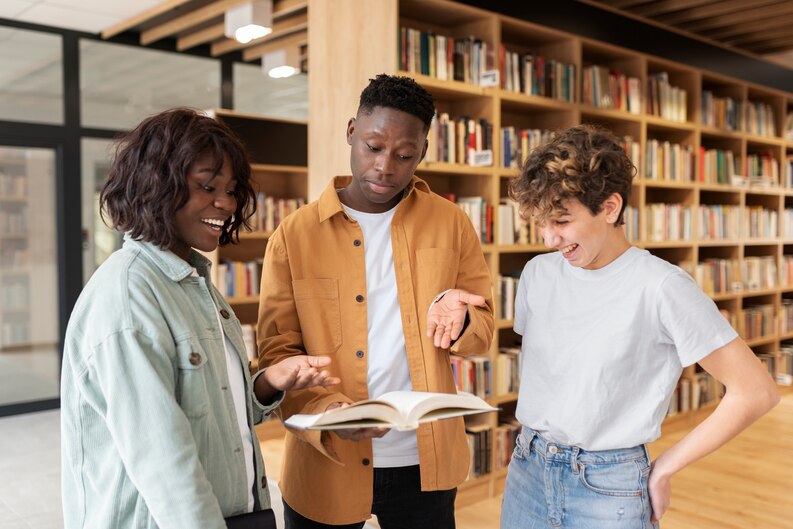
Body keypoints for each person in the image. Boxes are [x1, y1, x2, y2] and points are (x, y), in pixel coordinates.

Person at [61, 108, 339, 529]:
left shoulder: (193, 280)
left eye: (231, 189)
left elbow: (215, 411)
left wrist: (267, 383)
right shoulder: (129, 297)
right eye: (207, 187)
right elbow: (163, 463)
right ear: (155, 185)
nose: (226, 203)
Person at [500, 124, 781, 529]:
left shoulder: (662, 286)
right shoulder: (537, 274)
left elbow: (755, 391)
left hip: (608, 485)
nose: (548, 238)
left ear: (610, 207)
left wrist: (665, 467)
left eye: (561, 220)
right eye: (540, 222)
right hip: (528, 467)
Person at [257, 74, 494, 528]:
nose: (385, 167)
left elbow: (482, 334)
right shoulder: (294, 234)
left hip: (425, 463)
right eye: (373, 146)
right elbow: (277, 352)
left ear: (422, 152)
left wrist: (463, 322)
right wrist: (328, 411)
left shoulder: (452, 224)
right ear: (351, 132)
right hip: (327, 462)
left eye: (404, 155)